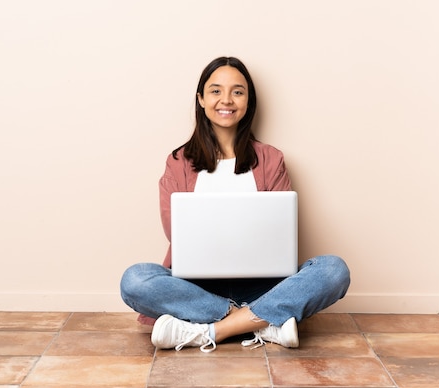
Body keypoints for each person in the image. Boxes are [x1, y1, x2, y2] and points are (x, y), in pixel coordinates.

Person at [120, 56, 350, 353]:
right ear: (201, 99)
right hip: (195, 287)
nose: (226, 100)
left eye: (237, 92)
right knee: (135, 280)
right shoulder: (178, 162)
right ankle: (263, 322)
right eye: (215, 91)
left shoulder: (271, 159)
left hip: (263, 284)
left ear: (248, 101)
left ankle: (208, 331)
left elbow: (280, 231)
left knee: (334, 270)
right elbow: (176, 233)